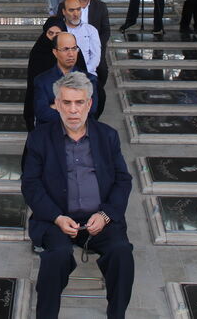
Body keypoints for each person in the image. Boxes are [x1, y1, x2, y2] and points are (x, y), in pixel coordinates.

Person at [21, 71, 134, 318]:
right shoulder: (39, 138)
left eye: (79, 102)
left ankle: (117, 314)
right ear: (56, 104)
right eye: (67, 102)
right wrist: (56, 217)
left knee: (121, 252)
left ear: (89, 104)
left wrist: (105, 215)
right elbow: (30, 184)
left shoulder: (107, 136)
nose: (73, 110)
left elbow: (123, 180)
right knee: (57, 256)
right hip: (57, 219)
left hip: (100, 218)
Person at [32, 32, 98, 127]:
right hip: (50, 132)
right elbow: (42, 113)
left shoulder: (90, 79)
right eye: (65, 49)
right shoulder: (42, 80)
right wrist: (77, 110)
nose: (71, 54)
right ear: (55, 52)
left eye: (74, 48)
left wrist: (56, 106)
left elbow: (91, 110)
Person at [73, 0, 110, 116]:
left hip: (94, 48)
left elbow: (106, 31)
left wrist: (95, 45)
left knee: (102, 70)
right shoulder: (67, 5)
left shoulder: (100, 7)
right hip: (73, 49)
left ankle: (93, 97)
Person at [25, 18, 70, 131]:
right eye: (51, 33)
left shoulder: (72, 51)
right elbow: (33, 85)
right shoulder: (38, 52)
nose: (54, 37)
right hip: (45, 105)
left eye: (58, 34)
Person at [61, 0, 101, 76]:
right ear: (64, 12)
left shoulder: (91, 30)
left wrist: (83, 71)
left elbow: (95, 57)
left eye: (78, 9)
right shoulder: (58, 30)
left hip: (86, 74)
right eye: (71, 10)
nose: (76, 14)